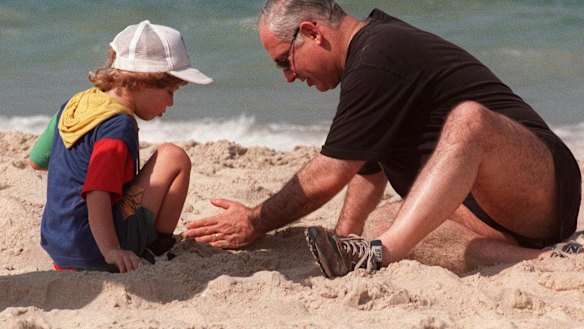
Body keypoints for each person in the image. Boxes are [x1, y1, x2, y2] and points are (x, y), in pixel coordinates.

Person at [183, 0, 582, 278]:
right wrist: (342, 238)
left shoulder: (379, 51)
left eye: (285, 62)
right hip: (493, 213)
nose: (288, 77)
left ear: (311, 32)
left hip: (542, 185)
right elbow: (366, 168)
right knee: (384, 221)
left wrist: (254, 221)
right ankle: (541, 259)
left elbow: (332, 171)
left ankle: (378, 254)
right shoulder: (369, 60)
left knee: (468, 121)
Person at [29, 20, 212, 273]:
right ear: (144, 81)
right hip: (94, 252)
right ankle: (157, 250)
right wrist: (111, 251)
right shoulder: (118, 127)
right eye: (170, 91)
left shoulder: (74, 104)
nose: (171, 103)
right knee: (174, 157)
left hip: (60, 247)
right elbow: (97, 194)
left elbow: (36, 160)